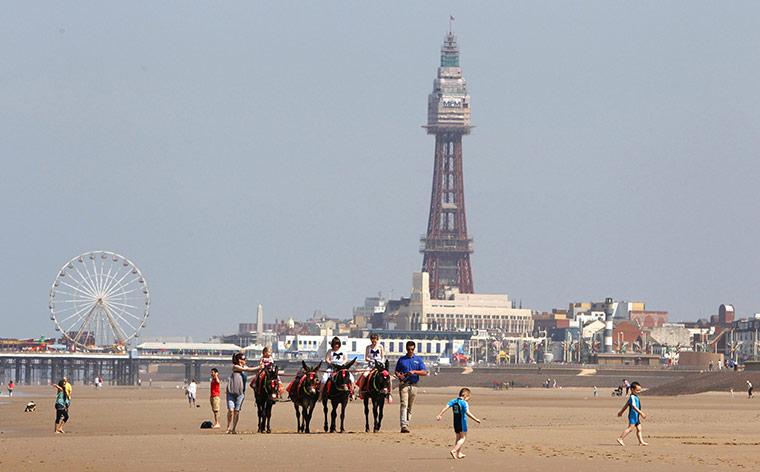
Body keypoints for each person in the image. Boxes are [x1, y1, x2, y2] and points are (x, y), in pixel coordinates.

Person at [436, 387, 481, 459]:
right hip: (462, 422)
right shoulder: (464, 403)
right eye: (468, 398)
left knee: (458, 437)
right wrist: (476, 419)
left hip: (455, 422)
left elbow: (446, 406)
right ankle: (454, 450)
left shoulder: (453, 401)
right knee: (463, 438)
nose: (468, 400)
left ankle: (459, 453)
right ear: (465, 396)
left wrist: (440, 414)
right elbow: (467, 413)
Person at [225, 352, 263, 434]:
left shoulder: (244, 366)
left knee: (237, 411)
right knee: (231, 410)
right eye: (243, 359)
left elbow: (253, 370)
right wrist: (259, 367)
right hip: (231, 391)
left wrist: (261, 366)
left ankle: (234, 428)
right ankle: (228, 427)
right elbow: (247, 370)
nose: (245, 360)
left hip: (240, 392)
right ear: (239, 360)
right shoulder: (235, 367)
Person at [394, 341, 428, 433]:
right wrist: (399, 375)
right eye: (409, 349)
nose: (410, 351)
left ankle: (407, 423)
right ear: (406, 349)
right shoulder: (401, 359)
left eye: (412, 349)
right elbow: (396, 371)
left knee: (410, 406)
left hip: (414, 385)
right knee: (403, 404)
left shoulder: (418, 360)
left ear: (414, 349)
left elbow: (424, 372)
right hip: (404, 384)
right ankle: (403, 425)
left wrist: (414, 372)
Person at [319, 337, 355, 401]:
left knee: (352, 378)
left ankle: (352, 393)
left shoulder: (343, 351)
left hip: (341, 368)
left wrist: (341, 364)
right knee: (324, 379)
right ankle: (321, 395)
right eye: (335, 344)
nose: (337, 345)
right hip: (331, 368)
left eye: (338, 344)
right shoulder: (330, 351)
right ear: (333, 344)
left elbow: (346, 359)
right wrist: (331, 363)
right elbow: (327, 359)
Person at [616, 381, 647, 446]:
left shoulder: (635, 397)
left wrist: (621, 412)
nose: (639, 391)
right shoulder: (632, 397)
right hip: (633, 416)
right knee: (630, 428)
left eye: (639, 390)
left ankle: (641, 442)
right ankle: (620, 438)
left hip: (636, 416)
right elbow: (633, 406)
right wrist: (641, 413)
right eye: (637, 390)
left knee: (639, 429)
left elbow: (626, 405)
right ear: (632, 389)